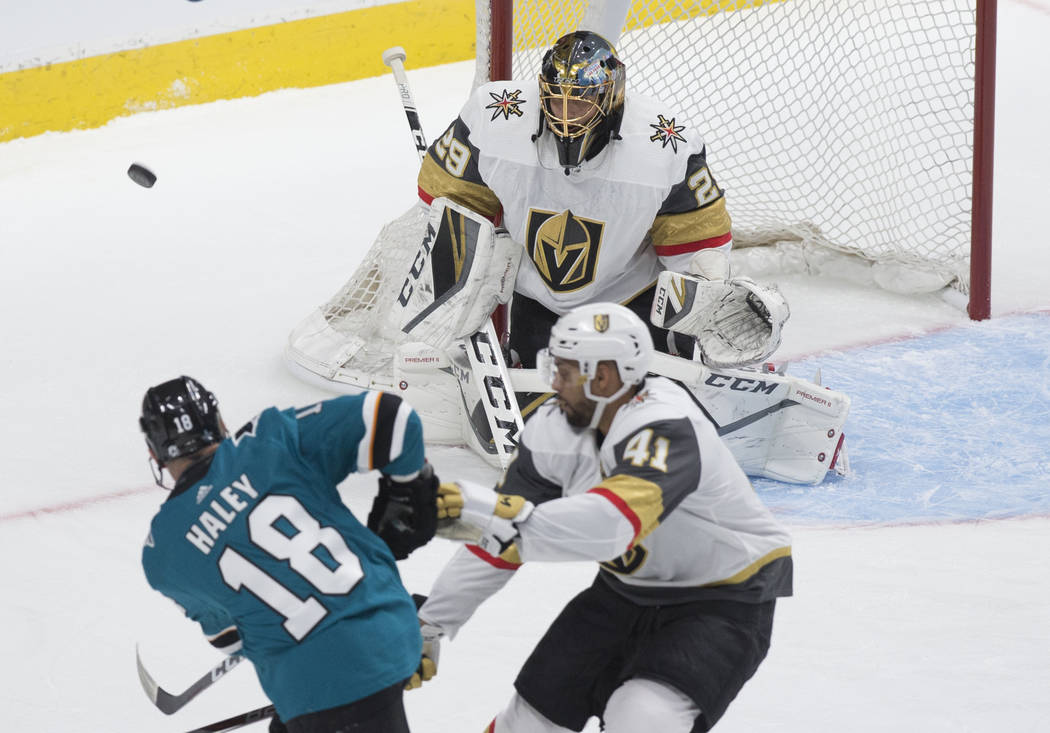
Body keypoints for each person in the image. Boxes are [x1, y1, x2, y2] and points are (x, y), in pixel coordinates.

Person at [416, 303, 794, 732]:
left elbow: (611, 527)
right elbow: (499, 542)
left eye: (564, 370)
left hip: (723, 600)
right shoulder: (551, 429)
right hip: (625, 591)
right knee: (528, 723)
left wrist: (495, 516)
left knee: (643, 718)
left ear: (605, 377)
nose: (553, 382)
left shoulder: (667, 424)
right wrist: (431, 622)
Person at [417, 30, 736, 367]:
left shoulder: (664, 146)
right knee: (540, 411)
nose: (567, 116)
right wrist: (480, 260)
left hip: (634, 301)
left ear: (609, 97)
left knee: (642, 411)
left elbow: (700, 244)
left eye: (581, 101)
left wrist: (705, 306)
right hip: (539, 301)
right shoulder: (492, 117)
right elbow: (444, 202)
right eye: (558, 100)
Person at [139, 376, 440, 733]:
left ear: (155, 454)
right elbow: (392, 417)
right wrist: (408, 493)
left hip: (313, 686)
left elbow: (231, 639)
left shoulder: (161, 553)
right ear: (219, 423)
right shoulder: (268, 439)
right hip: (385, 633)